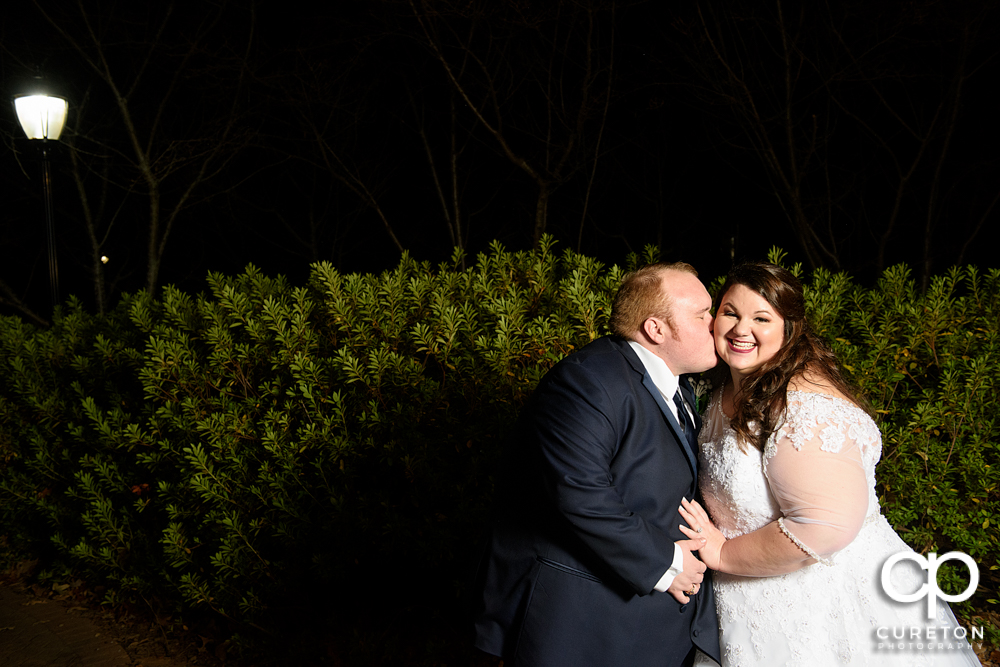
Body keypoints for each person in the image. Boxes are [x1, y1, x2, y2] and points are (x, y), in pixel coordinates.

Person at [678, 261, 982, 666]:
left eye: (761, 318)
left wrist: (723, 555)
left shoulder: (803, 405)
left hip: (824, 606)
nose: (740, 329)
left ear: (789, 328)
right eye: (731, 312)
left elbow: (823, 528)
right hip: (749, 609)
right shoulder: (719, 393)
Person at [474, 262, 722, 667]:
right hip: (580, 627)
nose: (715, 324)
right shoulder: (589, 379)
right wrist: (669, 563)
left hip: (646, 628)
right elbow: (579, 491)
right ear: (656, 329)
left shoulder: (679, 388)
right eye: (701, 314)